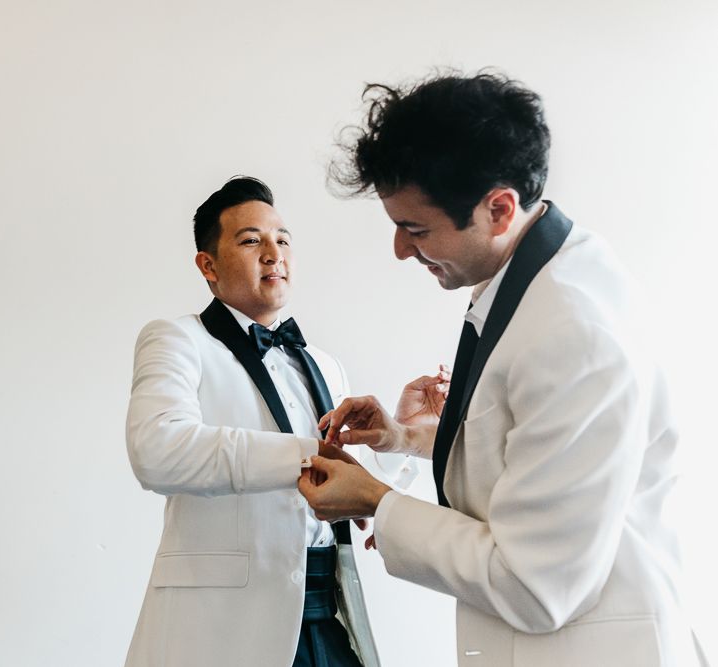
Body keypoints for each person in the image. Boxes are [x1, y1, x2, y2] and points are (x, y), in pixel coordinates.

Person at [298, 73, 709, 666]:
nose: (399, 250)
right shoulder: (541, 271)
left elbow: (534, 586)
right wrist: (406, 438)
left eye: (415, 229)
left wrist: (377, 501)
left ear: (498, 208)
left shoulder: (573, 332)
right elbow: (539, 453)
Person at [124, 176, 433, 667]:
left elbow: (349, 491)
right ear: (208, 265)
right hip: (222, 631)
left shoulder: (323, 363)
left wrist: (401, 437)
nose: (274, 253)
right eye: (251, 241)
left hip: (328, 611)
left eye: (282, 239)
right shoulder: (176, 339)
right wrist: (303, 456)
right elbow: (158, 451)